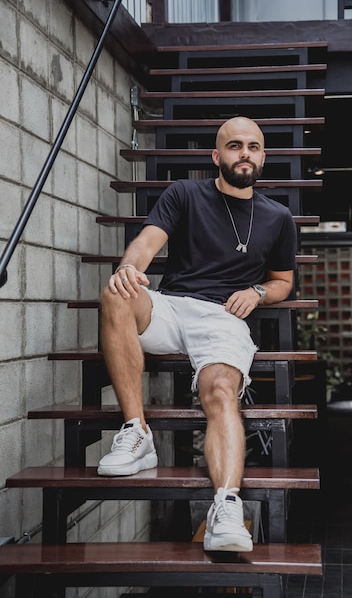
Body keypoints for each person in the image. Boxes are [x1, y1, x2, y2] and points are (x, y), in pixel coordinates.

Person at [97, 116, 297, 552]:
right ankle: (137, 433)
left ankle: (226, 505)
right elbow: (148, 242)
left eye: (254, 147)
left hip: (224, 317)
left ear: (263, 156)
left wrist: (259, 291)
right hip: (171, 307)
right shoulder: (185, 193)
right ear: (217, 156)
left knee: (222, 390)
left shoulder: (278, 217)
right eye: (235, 145)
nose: (245, 153)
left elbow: (284, 280)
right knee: (116, 292)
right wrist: (130, 269)